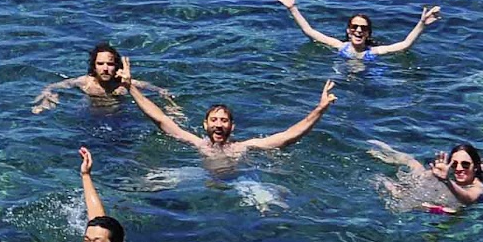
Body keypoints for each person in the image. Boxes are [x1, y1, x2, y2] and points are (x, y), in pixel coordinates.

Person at [130, 80, 336, 170]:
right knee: (152, 181)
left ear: (232, 127)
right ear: (205, 125)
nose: (218, 125)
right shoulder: (197, 143)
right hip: (196, 175)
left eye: (224, 120)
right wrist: (130, 87)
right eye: (214, 120)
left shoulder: (243, 147)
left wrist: (320, 109)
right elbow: (160, 119)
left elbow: (288, 136)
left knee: (269, 204)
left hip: (240, 181)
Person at [276, 0, 439, 59]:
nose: (359, 30)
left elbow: (405, 45)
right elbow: (309, 31)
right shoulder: (340, 46)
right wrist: (292, 8)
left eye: (363, 28)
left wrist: (422, 23)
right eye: (355, 27)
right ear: (348, 31)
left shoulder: (374, 52)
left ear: (368, 33)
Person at [30, 44, 166, 113]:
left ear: (117, 66)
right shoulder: (84, 82)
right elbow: (52, 86)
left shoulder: (125, 85)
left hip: (118, 115)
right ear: (94, 67)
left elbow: (160, 90)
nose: (105, 68)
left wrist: (169, 104)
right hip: (90, 114)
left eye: (110, 64)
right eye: (100, 64)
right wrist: (47, 97)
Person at [368, 140, 483, 212]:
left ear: (475, 166)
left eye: (465, 165)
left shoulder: (478, 186)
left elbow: (468, 198)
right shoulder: (449, 173)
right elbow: (422, 177)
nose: (459, 169)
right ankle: (386, 151)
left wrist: (446, 181)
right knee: (414, 165)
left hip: (453, 205)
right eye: (454, 164)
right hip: (445, 189)